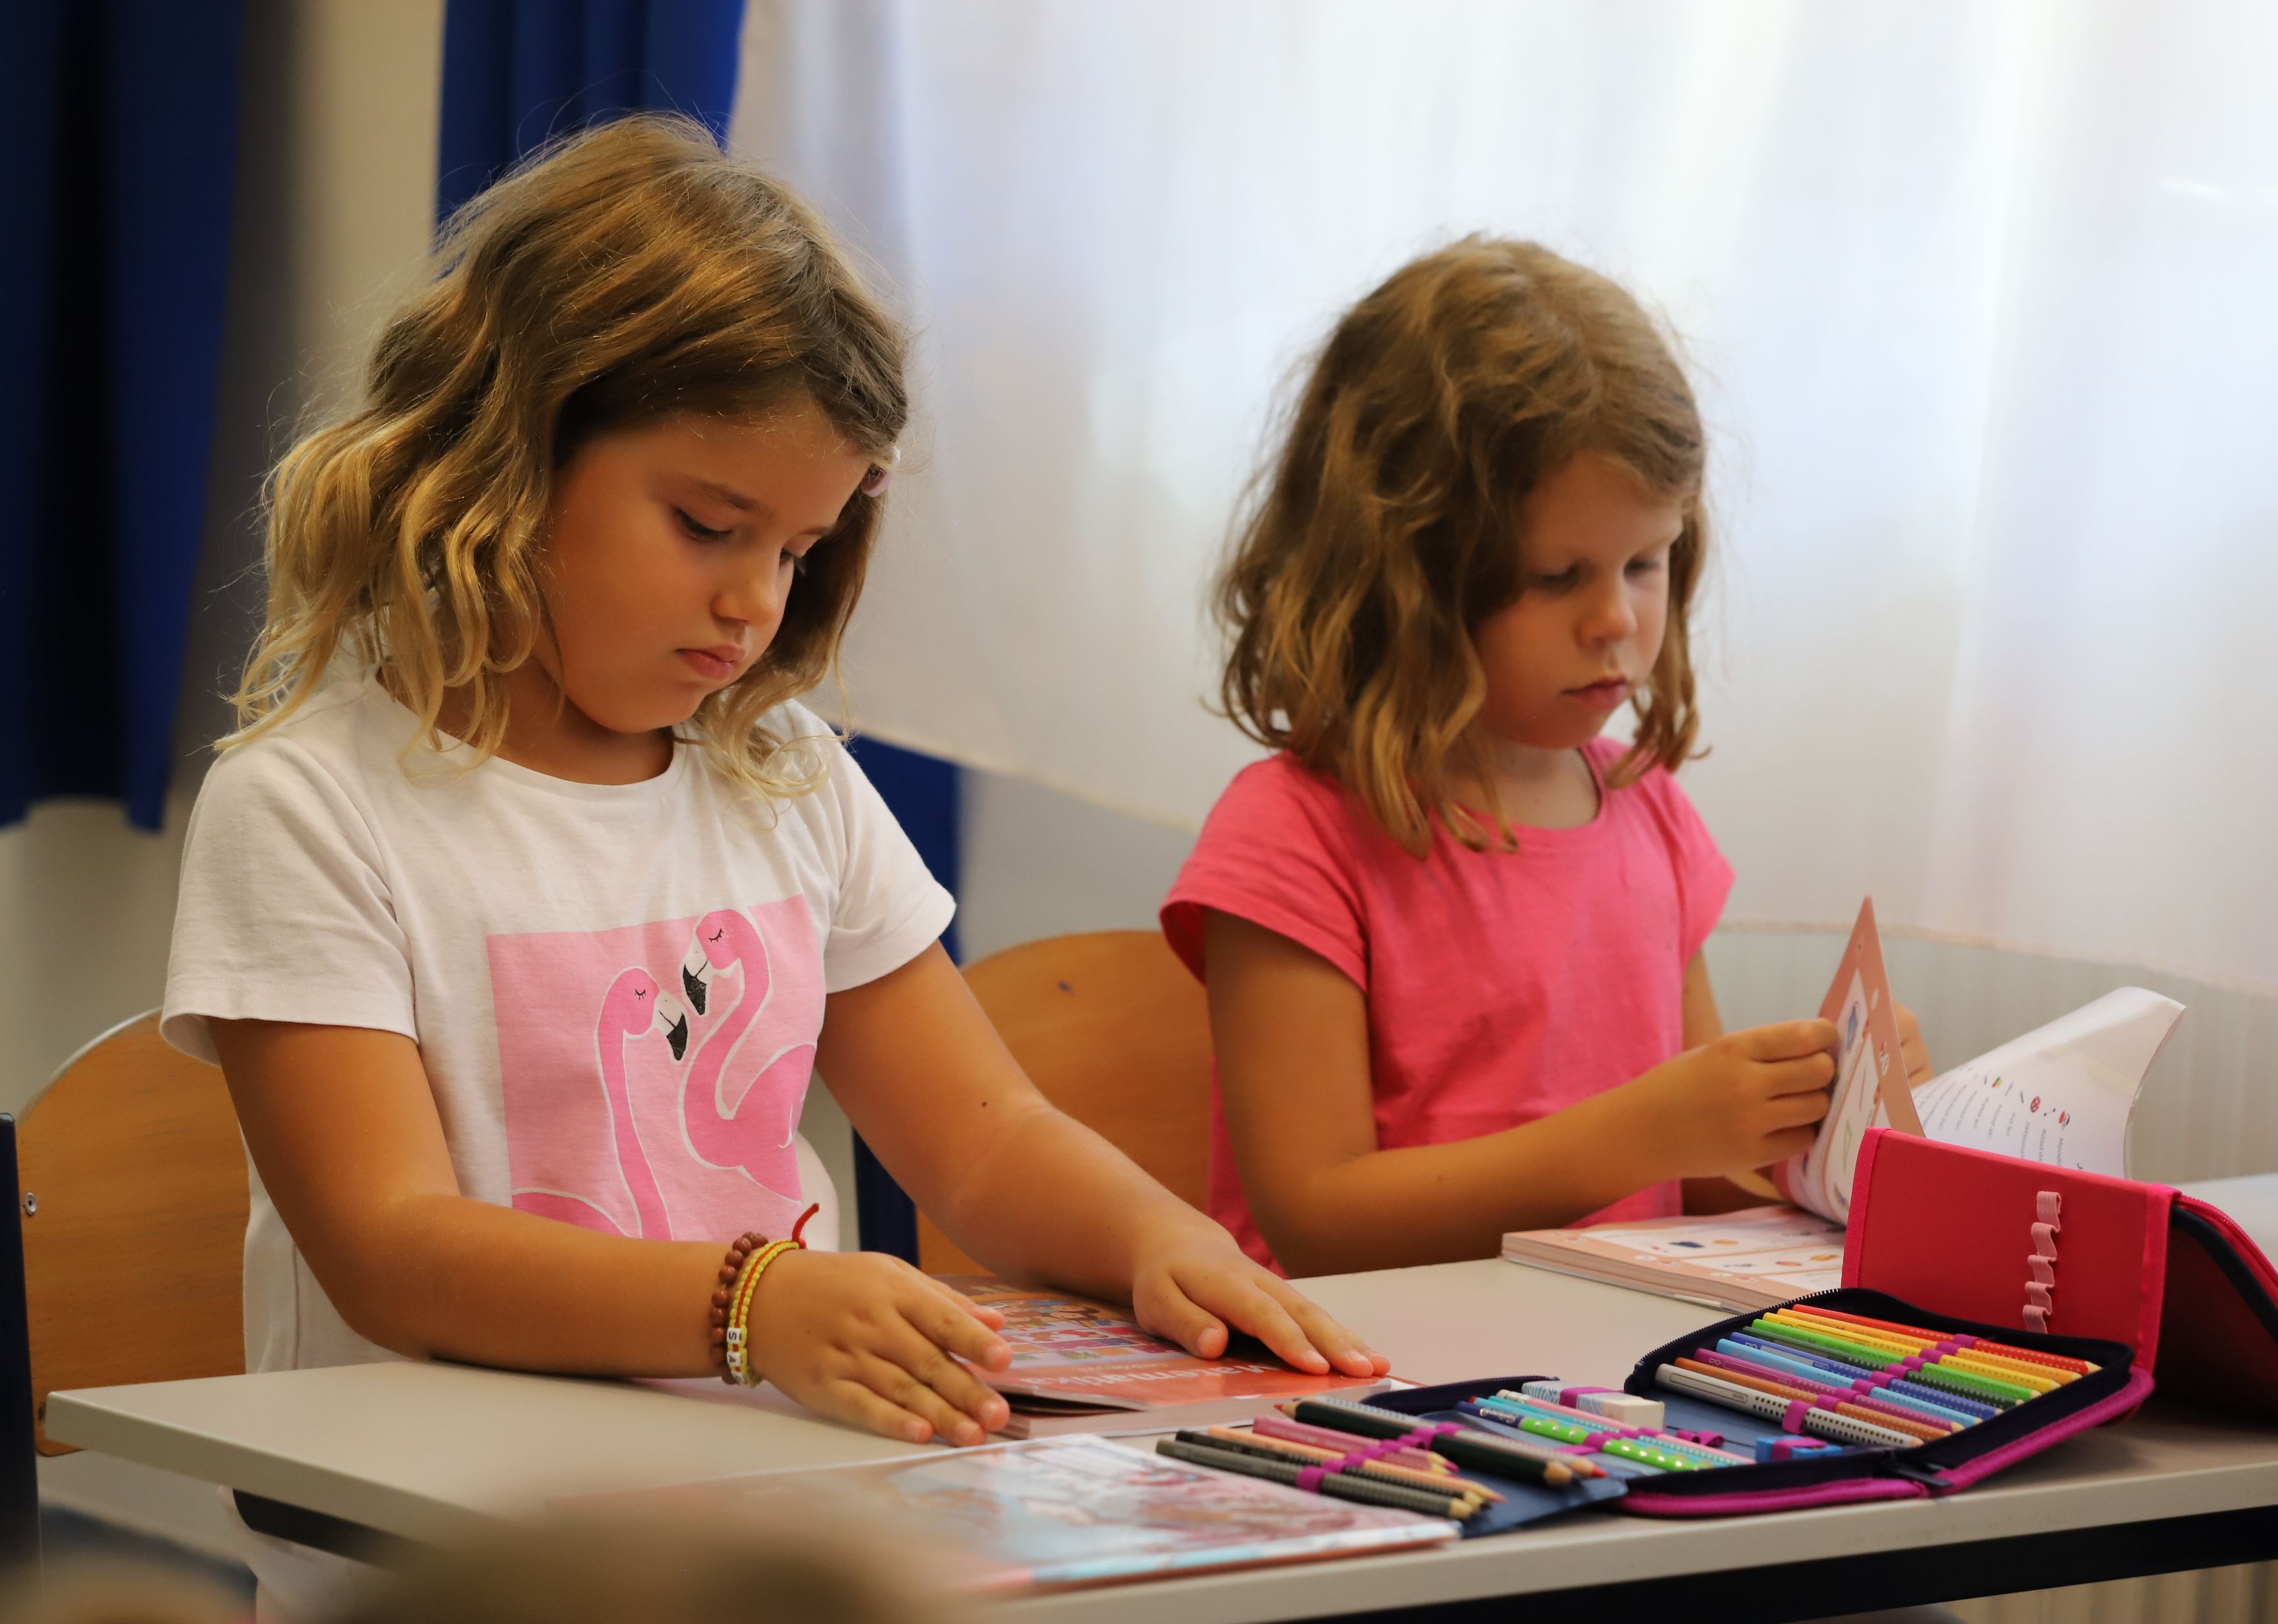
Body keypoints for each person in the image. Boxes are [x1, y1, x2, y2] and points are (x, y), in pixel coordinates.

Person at [162, 114, 1380, 1615]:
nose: (755, 602)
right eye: (708, 524)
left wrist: (1161, 1238)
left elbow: (984, 1140)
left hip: (767, 1527)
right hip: (454, 1565)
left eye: (799, 548)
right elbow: (392, 1253)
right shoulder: (310, 805)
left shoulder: (783, 772)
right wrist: (754, 1302)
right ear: (506, 456)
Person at [1161, 238, 1930, 1276]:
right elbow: (1316, 1218)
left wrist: (1815, 1123)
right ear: (1401, 578)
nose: (1615, 619)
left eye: (1644, 562)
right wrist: (1644, 1133)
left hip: (1601, 1356)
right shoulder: (1292, 833)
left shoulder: (1648, 811)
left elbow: (1696, 1180)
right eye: (1556, 576)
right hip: (1376, 1358)